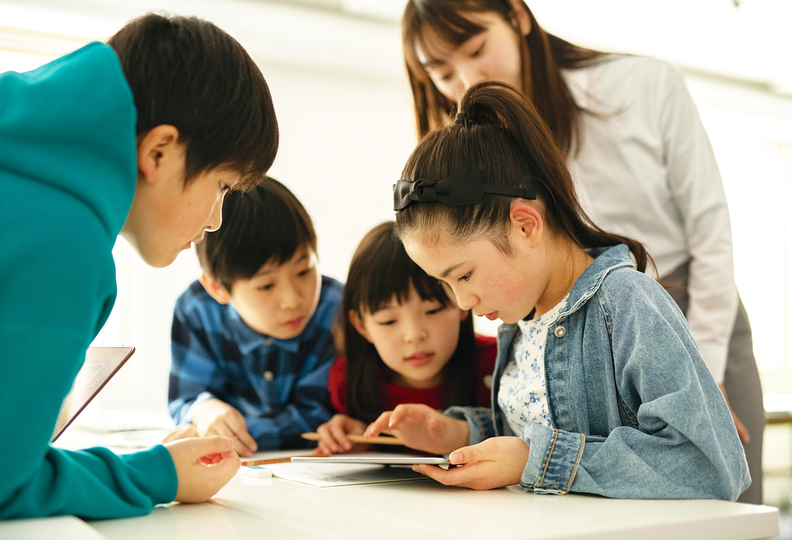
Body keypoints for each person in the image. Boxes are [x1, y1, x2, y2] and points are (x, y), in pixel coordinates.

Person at [399, 0, 763, 503]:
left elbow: (711, 234)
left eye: (476, 48)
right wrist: (463, 436)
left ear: (517, 17)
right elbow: (539, 425)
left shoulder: (640, 86)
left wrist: (706, 369)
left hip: (681, 300)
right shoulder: (519, 313)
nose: (464, 79)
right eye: (441, 72)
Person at [0, 14, 278, 520]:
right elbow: (5, 485)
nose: (217, 220)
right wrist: (156, 474)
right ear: (159, 150)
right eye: (221, 187)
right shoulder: (65, 245)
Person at [167, 177, 342, 457]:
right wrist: (203, 410)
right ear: (217, 287)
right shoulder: (197, 310)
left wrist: (228, 435)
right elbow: (184, 400)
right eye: (266, 286)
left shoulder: (336, 308)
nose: (293, 300)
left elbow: (317, 415)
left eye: (304, 271)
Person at [314, 221, 496, 455]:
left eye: (433, 311)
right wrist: (359, 436)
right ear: (361, 325)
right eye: (388, 321)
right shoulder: (349, 382)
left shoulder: (498, 365)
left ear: (462, 303)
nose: (414, 335)